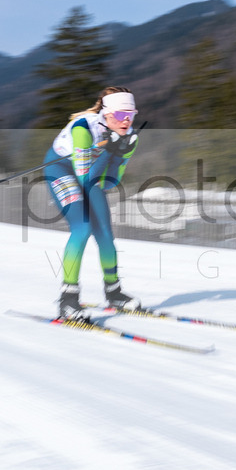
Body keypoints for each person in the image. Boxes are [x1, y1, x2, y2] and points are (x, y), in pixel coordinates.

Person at [45, 86, 141, 320]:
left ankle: (114, 293)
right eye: (120, 115)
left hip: (91, 174)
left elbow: (109, 183)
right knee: (82, 227)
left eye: (131, 114)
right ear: (106, 113)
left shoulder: (129, 137)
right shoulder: (83, 129)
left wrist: (120, 154)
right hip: (60, 170)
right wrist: (109, 151)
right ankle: (68, 300)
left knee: (105, 233)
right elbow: (84, 176)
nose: (126, 120)